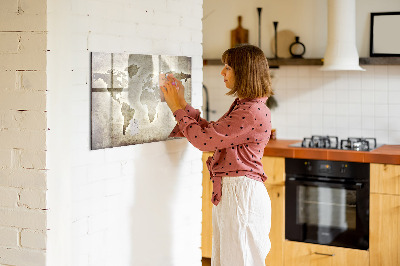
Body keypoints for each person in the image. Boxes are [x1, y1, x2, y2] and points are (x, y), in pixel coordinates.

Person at [161, 44, 273, 266]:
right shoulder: (246, 106)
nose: (222, 72)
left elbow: (204, 141)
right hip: (236, 193)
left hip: (241, 195)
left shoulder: (250, 111)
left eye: (228, 67)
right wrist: (182, 104)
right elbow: (212, 133)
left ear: (244, 72)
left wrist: (176, 108)